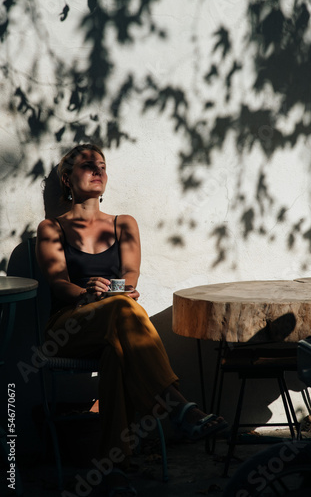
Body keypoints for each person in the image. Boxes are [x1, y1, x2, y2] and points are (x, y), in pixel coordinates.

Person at [36, 143, 227, 494]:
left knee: (117, 348)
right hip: (69, 324)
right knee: (123, 309)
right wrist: (86, 294)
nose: (98, 170)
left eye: (103, 166)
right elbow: (59, 283)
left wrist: (122, 292)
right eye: (87, 165)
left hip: (116, 322)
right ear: (67, 178)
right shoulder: (52, 228)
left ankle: (113, 469)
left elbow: (131, 274)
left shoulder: (123, 223)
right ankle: (177, 406)